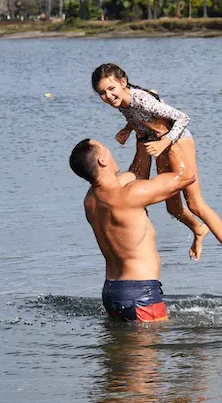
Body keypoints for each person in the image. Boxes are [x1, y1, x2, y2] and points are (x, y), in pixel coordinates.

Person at [91, 63, 222, 287]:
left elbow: (182, 118)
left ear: (122, 82)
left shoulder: (140, 98)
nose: (108, 96)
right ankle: (198, 229)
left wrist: (165, 142)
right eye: (102, 93)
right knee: (172, 208)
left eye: (111, 89)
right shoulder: (121, 102)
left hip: (177, 141)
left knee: (195, 204)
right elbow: (142, 117)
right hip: (159, 142)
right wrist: (128, 127)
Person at [69, 138, 196, 322]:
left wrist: (143, 137)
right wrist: (171, 138)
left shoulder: (91, 200)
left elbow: (137, 174)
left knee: (122, 350)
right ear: (102, 161)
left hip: (112, 291)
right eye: (105, 148)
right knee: (148, 349)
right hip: (140, 294)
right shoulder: (129, 194)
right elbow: (185, 177)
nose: (110, 150)